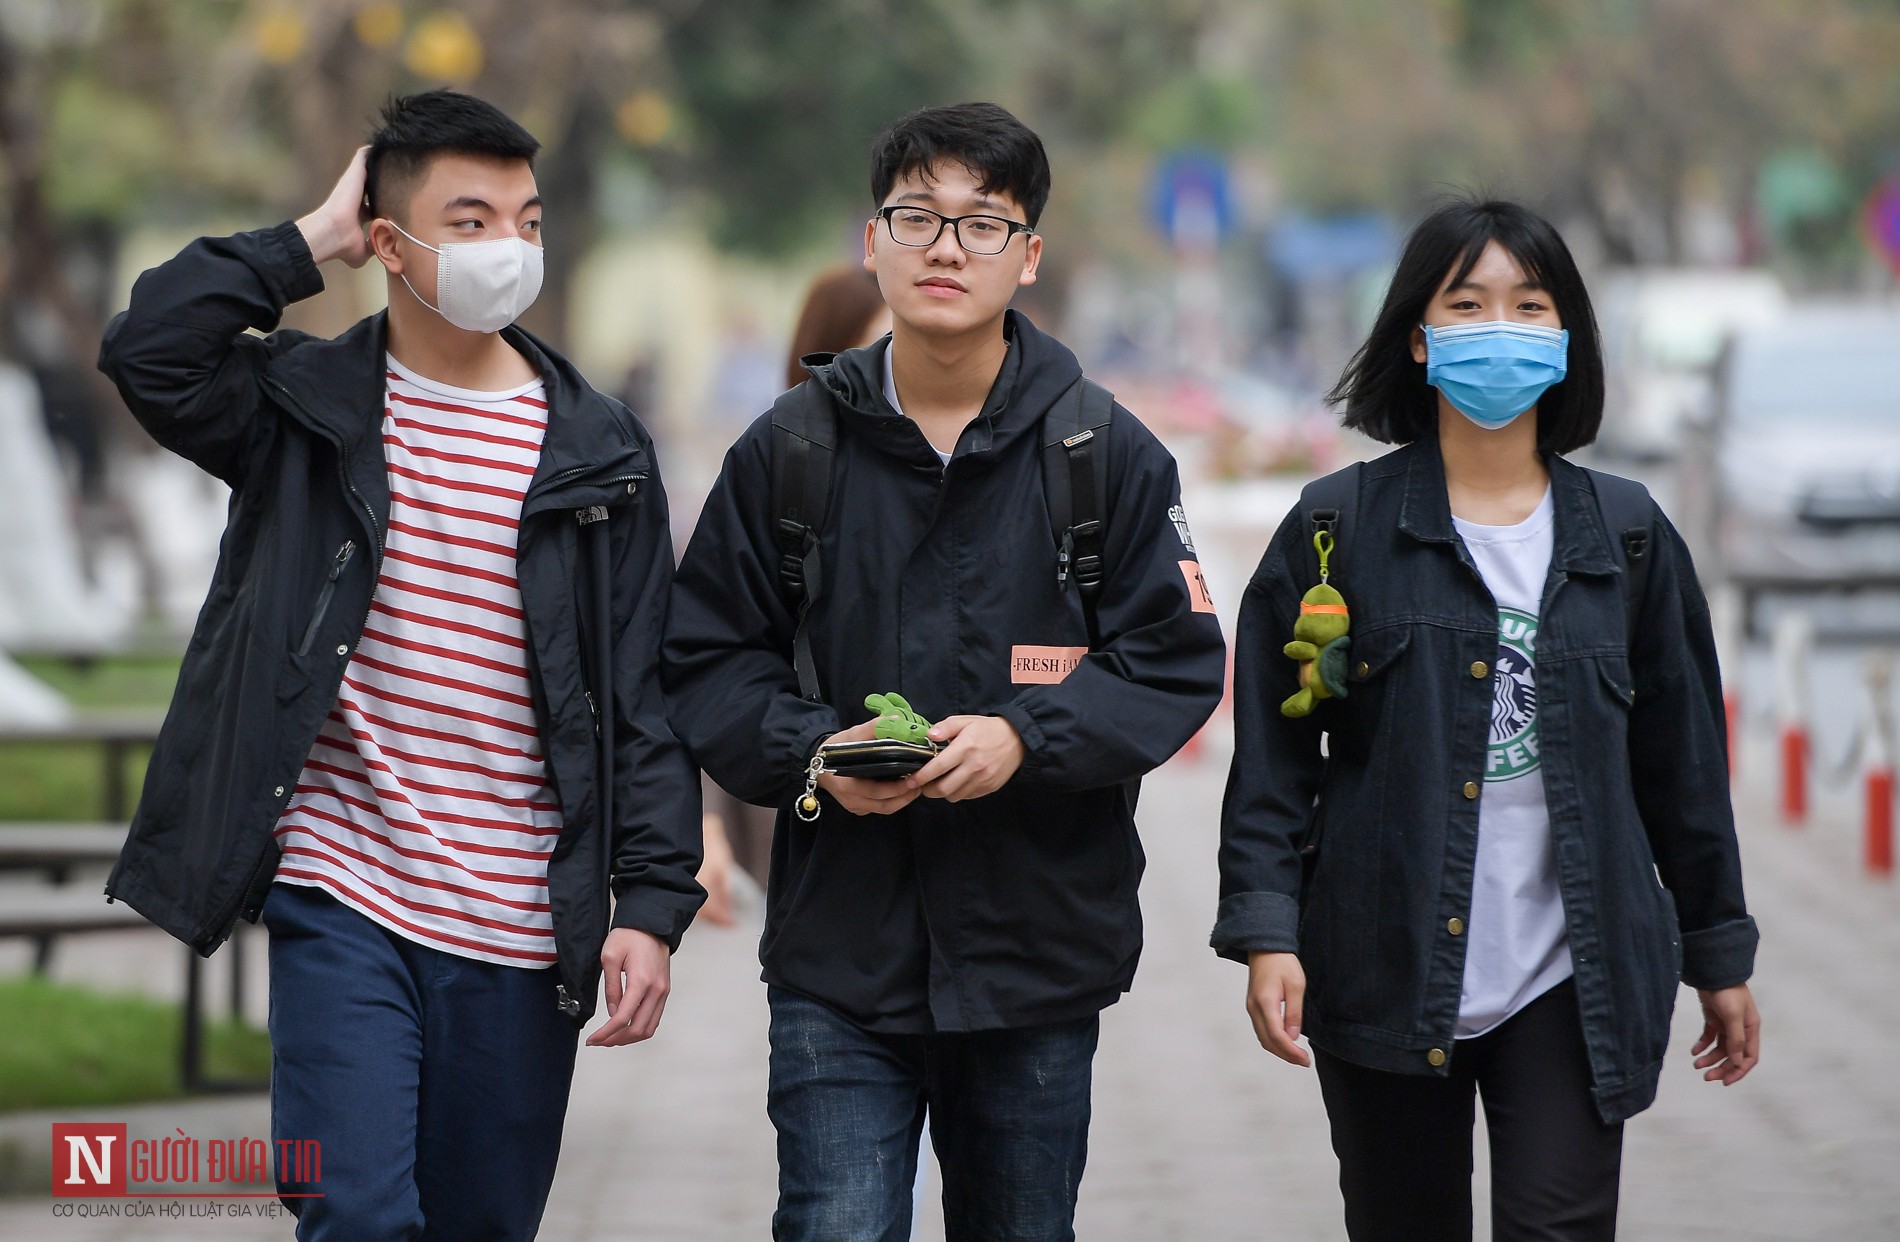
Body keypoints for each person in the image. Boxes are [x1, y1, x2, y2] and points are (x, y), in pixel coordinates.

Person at [97, 90, 703, 1239]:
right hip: (343, 891)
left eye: (525, 220)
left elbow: (639, 693)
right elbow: (150, 350)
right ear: (389, 243)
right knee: (357, 1213)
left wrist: (655, 903)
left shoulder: (600, 446)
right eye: (468, 221)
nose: (507, 249)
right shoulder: (304, 405)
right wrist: (308, 241)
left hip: (524, 924)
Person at [663, 102, 1226, 1240]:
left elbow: (1171, 662)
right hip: (839, 953)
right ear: (872, 242)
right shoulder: (789, 450)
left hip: (1037, 957)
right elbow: (706, 658)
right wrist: (811, 749)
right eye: (916, 216)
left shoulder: (1101, 453)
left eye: (981, 225)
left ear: (1027, 257)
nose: (945, 247)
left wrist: (1027, 736)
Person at [1211, 198, 1761, 1241]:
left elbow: (1683, 767)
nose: (1498, 326)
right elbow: (1276, 756)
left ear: (1563, 340)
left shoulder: (1629, 540)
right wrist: (1265, 932)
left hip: (1572, 972)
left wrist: (1717, 952)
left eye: (1528, 304)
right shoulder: (1337, 530)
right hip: (1382, 959)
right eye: (1466, 304)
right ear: (1419, 339)